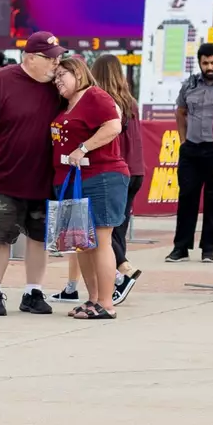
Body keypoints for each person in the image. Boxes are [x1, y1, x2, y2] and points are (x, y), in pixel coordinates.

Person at [0, 31, 65, 316]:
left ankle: (33, 291)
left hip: (44, 178)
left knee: (39, 238)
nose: (56, 64)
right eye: (51, 59)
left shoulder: (57, 87)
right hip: (3, 177)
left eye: (59, 58)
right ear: (31, 58)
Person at [51, 56, 129, 320]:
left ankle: (106, 303)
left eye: (63, 74)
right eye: (55, 76)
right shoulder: (66, 104)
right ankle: (93, 299)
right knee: (82, 244)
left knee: (102, 240)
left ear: (80, 73)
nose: (58, 80)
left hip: (102, 175)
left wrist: (83, 148)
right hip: (73, 180)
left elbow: (113, 126)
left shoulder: (95, 96)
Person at [89, 53, 143, 306]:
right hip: (136, 170)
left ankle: (123, 271)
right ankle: (121, 271)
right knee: (117, 228)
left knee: (105, 230)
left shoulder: (103, 102)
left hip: (115, 170)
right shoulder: (129, 101)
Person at [167, 41, 213, 263]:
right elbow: (180, 112)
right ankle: (180, 248)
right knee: (187, 198)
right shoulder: (189, 85)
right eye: (205, 63)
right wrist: (182, 141)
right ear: (199, 63)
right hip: (191, 149)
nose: (209, 67)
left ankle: (208, 249)